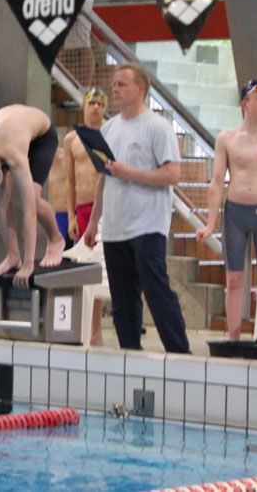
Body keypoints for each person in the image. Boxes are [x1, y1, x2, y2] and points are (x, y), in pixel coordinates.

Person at [83, 63, 190, 353]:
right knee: (122, 300)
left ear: (140, 89)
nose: (114, 90)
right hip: (115, 226)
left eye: (121, 85)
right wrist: (93, 222)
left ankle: (180, 353)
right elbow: (104, 178)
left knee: (156, 292)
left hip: (147, 224)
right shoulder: (109, 128)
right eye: (114, 84)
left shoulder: (158, 127)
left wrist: (130, 173)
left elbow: (172, 175)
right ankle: (129, 353)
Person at [196, 80, 257, 342]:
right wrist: (210, 224)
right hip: (235, 213)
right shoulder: (226, 138)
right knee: (234, 280)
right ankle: (234, 339)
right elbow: (217, 182)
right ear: (244, 104)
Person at [0, 105, 64, 288]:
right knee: (0, 199)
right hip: (8, 132)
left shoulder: (14, 157)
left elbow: (29, 213)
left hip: (41, 136)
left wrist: (28, 264)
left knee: (33, 199)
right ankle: (13, 255)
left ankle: (56, 239)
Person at [64, 86, 108, 346]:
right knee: (83, 267)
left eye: (100, 104)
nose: (95, 108)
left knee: (101, 270)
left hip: (105, 208)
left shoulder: (109, 134)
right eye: (92, 103)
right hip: (82, 210)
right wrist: (70, 216)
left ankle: (96, 331)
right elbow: (70, 182)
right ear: (84, 106)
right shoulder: (72, 139)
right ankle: (81, 327)